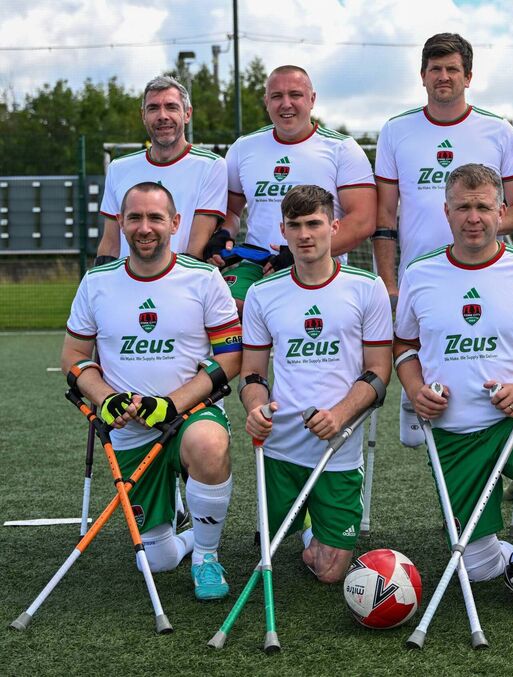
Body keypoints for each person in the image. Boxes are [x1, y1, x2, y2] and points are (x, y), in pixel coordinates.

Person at [394, 164, 513, 612]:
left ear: (502, 211)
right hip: (452, 435)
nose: (473, 217)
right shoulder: (420, 273)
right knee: (479, 568)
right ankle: (502, 556)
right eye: (463, 207)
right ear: (446, 212)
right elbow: (403, 343)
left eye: (483, 206)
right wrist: (416, 387)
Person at [62, 182, 241, 600]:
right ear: (121, 223)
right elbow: (73, 354)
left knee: (208, 443)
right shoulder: (97, 282)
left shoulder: (204, 277)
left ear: (175, 223)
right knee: (154, 560)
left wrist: (171, 405)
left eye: (156, 217)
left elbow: (231, 356)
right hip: (129, 427)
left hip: (188, 413)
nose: (146, 228)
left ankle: (207, 558)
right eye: (136, 217)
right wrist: (106, 398)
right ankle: (188, 531)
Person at [374, 32, 513, 446]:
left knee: (477, 361)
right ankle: (418, 393)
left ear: (469, 75)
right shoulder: (395, 130)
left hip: (485, 270)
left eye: (452, 69)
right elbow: (385, 214)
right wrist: (389, 280)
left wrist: (478, 232)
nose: (443, 77)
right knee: (423, 375)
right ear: (422, 76)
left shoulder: (499, 131)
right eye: (435, 69)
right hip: (421, 275)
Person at [240, 185, 392, 583]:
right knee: (267, 544)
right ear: (283, 232)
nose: (305, 234)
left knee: (328, 572)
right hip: (280, 445)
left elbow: (379, 372)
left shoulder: (366, 287)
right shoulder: (262, 292)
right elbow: (252, 373)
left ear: (333, 226)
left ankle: (312, 519)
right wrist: (255, 407)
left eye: (314, 224)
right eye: (295, 226)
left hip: (337, 446)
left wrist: (340, 416)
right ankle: (299, 511)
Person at [221, 65, 376, 315]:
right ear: (266, 101)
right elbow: (230, 211)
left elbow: (363, 221)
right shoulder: (244, 148)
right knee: (222, 308)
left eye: (295, 95)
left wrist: (300, 255)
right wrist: (225, 235)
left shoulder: (341, 148)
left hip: (320, 264)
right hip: (259, 264)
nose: (286, 104)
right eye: (276, 96)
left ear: (312, 99)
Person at [97, 76, 227, 262]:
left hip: (181, 283)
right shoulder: (118, 168)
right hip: (128, 284)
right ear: (143, 116)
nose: (162, 116)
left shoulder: (211, 166)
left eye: (171, 107)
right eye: (153, 108)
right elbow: (109, 244)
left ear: (187, 114)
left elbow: (196, 249)